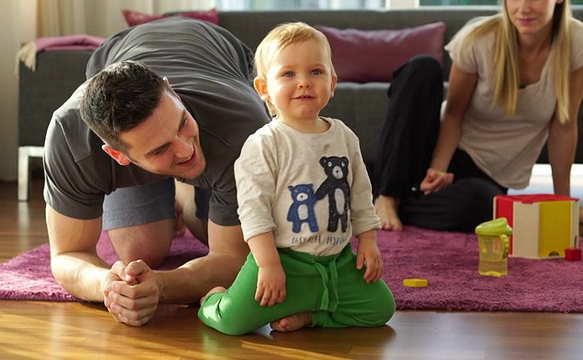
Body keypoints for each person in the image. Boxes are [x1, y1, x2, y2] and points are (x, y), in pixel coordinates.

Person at [43, 17, 272, 326]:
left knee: (211, 230)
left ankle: (185, 188)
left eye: (182, 124)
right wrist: (108, 285)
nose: (185, 149)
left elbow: (234, 259)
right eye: (160, 148)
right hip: (117, 51)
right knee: (141, 249)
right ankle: (179, 180)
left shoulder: (243, 127)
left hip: (217, 55)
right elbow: (68, 253)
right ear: (116, 155)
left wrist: (162, 286)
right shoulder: (70, 139)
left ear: (171, 91)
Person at [197, 22, 395, 336]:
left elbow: (359, 192)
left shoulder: (344, 136)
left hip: (337, 260)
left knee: (381, 309)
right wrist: (268, 264)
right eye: (288, 74)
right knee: (232, 322)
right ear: (263, 89)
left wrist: (368, 241)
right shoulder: (264, 144)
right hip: (282, 259)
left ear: (332, 83)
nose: (304, 82)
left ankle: (312, 315)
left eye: (315, 72)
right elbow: (253, 211)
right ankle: (214, 301)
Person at [373, 0, 583, 232]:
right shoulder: (479, 39)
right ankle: (387, 196)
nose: (524, 7)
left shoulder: (576, 42)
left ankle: (388, 201)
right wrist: (438, 170)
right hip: (440, 151)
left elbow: (564, 125)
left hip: (488, 178)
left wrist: (565, 205)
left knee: (483, 205)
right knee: (422, 68)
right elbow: (454, 114)